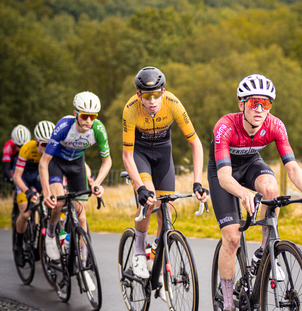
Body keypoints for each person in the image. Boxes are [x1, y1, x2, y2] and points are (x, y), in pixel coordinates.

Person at [208, 74, 302, 311]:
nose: (260, 109)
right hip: (223, 172)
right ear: (242, 104)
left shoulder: (275, 126)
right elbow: (225, 178)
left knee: (272, 190)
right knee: (233, 237)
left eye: (266, 104)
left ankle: (264, 253)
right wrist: (243, 193)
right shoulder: (225, 126)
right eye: (254, 103)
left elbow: (292, 166)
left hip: (251, 163)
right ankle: (228, 309)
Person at [122, 66, 209, 287]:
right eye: (147, 96)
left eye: (157, 94)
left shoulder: (173, 103)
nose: (153, 100)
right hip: (140, 156)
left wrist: (197, 181)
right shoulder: (130, 109)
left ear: (164, 91)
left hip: (163, 156)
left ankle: (157, 263)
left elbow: (196, 144)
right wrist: (139, 186)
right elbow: (127, 156)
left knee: (167, 211)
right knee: (149, 200)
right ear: (139, 95)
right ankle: (139, 254)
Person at [39, 92, 112, 263]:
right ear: (75, 114)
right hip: (56, 162)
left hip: (77, 164)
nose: (88, 120)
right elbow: (43, 163)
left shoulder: (98, 129)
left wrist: (98, 183)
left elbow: (107, 162)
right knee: (58, 203)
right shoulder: (63, 126)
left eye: (92, 116)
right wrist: (46, 192)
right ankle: (50, 234)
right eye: (84, 116)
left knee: (82, 216)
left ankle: (84, 260)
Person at [12, 121, 54, 266]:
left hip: (38, 178)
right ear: (36, 141)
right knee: (25, 214)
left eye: (50, 144)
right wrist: (27, 192)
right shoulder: (26, 148)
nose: (47, 148)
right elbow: (16, 176)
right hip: (24, 178)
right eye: (43, 144)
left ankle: (40, 238)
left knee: (49, 205)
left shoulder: (52, 149)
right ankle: (18, 246)